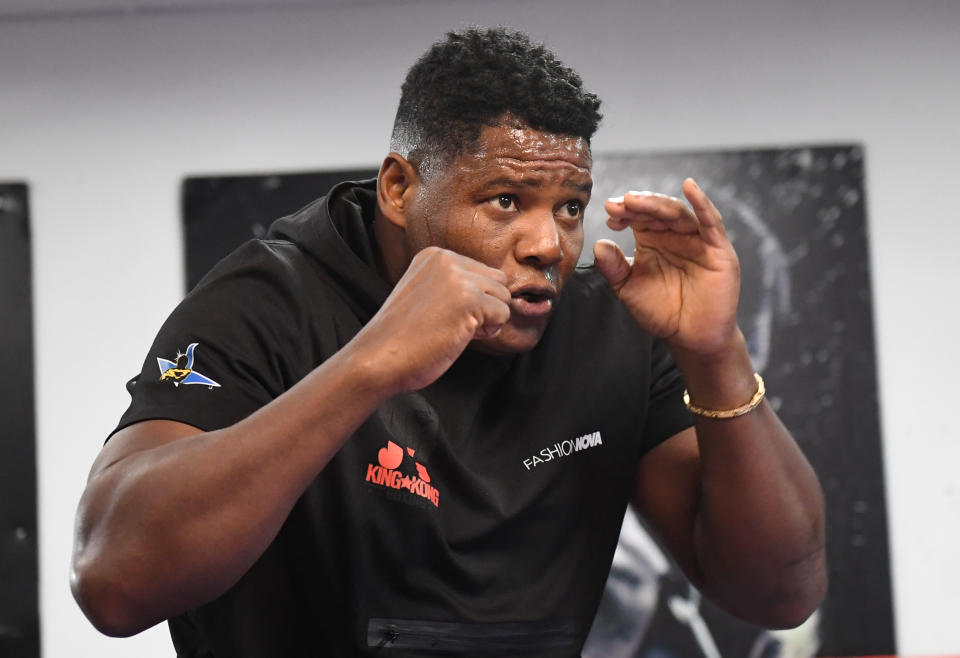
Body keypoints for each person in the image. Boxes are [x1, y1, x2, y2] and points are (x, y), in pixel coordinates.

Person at [71, 27, 827, 657]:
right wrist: (369, 365)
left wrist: (714, 353)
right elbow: (114, 580)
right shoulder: (268, 302)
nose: (547, 244)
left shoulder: (609, 328)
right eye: (506, 201)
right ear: (400, 189)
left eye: (570, 207)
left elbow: (780, 593)